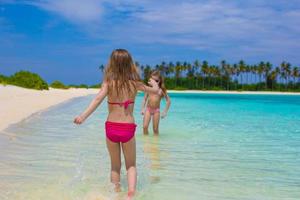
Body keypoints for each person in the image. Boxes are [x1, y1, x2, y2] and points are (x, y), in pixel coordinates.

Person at [73, 49, 161, 199]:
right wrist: (154, 83)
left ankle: (115, 194)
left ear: (112, 64)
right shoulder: (134, 84)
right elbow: (155, 92)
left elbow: (97, 100)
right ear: (130, 65)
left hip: (111, 128)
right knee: (131, 165)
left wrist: (83, 116)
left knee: (115, 166)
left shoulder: (108, 82)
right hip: (127, 128)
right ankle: (131, 194)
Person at [141, 70, 171, 135]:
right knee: (145, 127)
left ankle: (156, 144)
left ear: (160, 81)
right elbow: (144, 99)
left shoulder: (161, 90)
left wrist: (165, 112)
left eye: (156, 81)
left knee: (155, 129)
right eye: (153, 80)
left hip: (156, 111)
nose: (155, 83)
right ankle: (146, 142)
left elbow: (168, 101)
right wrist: (143, 109)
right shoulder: (149, 89)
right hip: (148, 109)